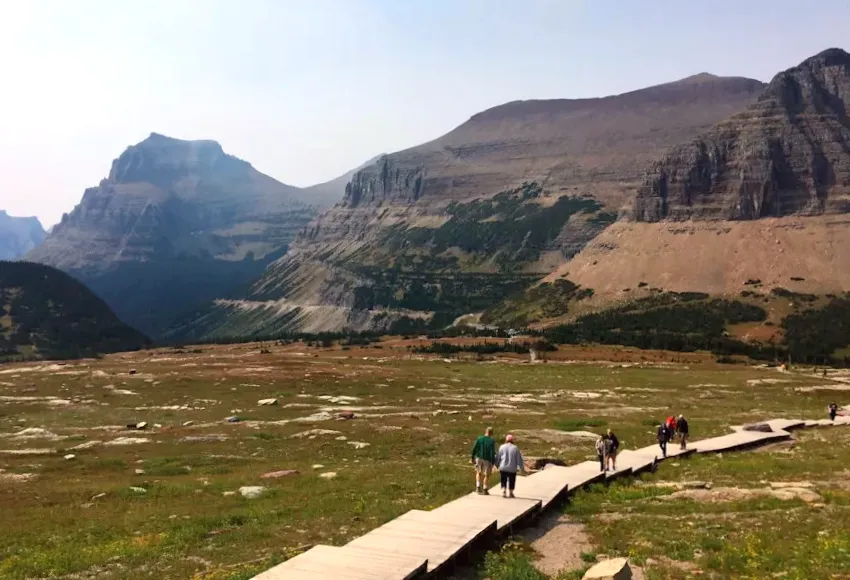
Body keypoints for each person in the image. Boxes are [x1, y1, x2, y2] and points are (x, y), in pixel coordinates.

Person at [496, 433, 525, 498]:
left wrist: (497, 464)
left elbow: (498, 457)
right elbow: (519, 459)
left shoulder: (502, 447)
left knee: (503, 479)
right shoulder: (515, 448)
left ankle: (504, 490)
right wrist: (522, 468)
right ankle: (511, 492)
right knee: (512, 480)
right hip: (512, 468)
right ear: (512, 440)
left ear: (506, 440)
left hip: (503, 467)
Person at [471, 426, 496, 494]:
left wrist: (472, 457)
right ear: (491, 433)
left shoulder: (479, 438)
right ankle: (485, 488)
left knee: (478, 472)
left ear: (485, 431)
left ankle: (478, 487)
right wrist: (493, 461)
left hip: (479, 457)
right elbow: (492, 451)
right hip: (487, 459)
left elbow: (474, 448)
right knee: (487, 475)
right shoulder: (491, 441)